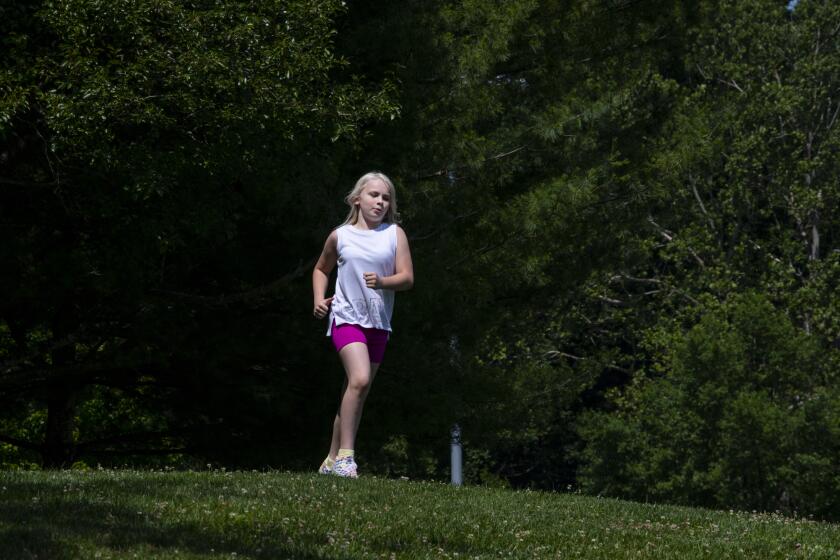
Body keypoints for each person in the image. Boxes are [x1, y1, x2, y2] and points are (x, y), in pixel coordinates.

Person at [312, 171, 414, 478]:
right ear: (357, 199)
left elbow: (407, 278)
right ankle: (346, 458)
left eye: (386, 198)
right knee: (359, 379)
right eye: (374, 195)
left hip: (379, 322)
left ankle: (329, 461)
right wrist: (319, 297)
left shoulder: (394, 234)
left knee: (356, 389)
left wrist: (384, 281)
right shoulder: (340, 236)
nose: (380, 202)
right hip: (346, 317)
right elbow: (321, 268)